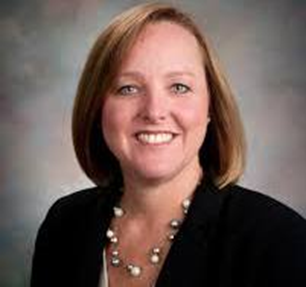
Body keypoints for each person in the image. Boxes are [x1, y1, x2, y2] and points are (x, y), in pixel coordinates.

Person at [31, 3, 306, 287]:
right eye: (128, 88)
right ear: (97, 108)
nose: (154, 111)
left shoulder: (279, 239)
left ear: (211, 106)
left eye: (179, 87)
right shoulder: (64, 225)